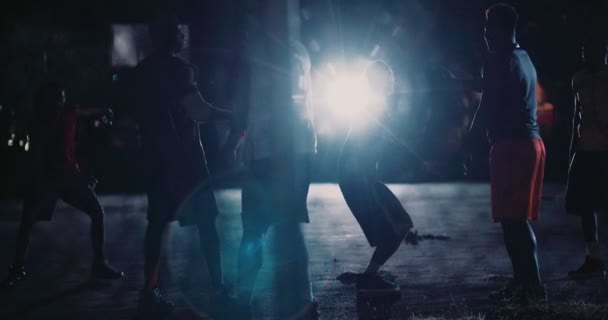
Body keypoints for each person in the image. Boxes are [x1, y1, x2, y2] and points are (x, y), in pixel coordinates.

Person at [132, 19, 232, 317]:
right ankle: (219, 287)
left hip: (155, 156)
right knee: (206, 223)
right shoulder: (181, 70)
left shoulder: (141, 72)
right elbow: (198, 111)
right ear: (171, 38)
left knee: (156, 224)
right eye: (178, 32)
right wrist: (233, 114)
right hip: (186, 159)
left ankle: (149, 291)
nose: (182, 36)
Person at [228, 23, 318, 318]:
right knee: (287, 226)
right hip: (298, 150)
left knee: (254, 228)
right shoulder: (299, 52)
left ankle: (244, 297)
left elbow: (248, 105)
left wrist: (236, 137)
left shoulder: (261, 55)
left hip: (268, 153)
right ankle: (304, 297)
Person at [1, 82, 123, 289]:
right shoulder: (40, 124)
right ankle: (17, 268)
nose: (59, 101)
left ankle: (99, 263)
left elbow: (85, 113)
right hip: (47, 179)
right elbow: (37, 158)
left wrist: (103, 111)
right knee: (27, 223)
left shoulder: (68, 115)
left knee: (96, 212)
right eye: (55, 98)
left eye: (61, 97)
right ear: (44, 101)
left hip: (67, 177)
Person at [467, 3, 546, 304]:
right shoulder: (522, 57)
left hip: (513, 146)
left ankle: (532, 286)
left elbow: (487, 104)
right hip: (530, 144)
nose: (485, 32)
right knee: (516, 220)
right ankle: (524, 283)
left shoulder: (498, 59)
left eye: (489, 27)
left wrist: (470, 144)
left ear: (502, 29)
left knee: (514, 222)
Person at [338, 60, 427, 296]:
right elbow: (359, 147)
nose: (390, 84)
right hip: (360, 181)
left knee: (398, 225)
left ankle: (370, 274)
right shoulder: (373, 108)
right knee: (397, 226)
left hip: (364, 179)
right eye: (386, 80)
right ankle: (369, 276)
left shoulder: (376, 107)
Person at [566, 39, 608, 279]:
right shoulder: (578, 79)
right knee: (585, 205)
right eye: (586, 52)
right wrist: (573, 149)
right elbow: (576, 115)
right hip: (586, 150)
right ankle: (594, 258)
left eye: (595, 52)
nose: (589, 57)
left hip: (605, 151)